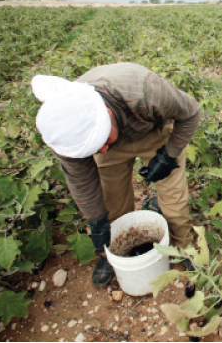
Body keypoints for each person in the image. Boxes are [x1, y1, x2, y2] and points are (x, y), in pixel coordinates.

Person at [31, 62, 201, 286]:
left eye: (101, 141)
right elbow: (81, 181)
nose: (101, 151)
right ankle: (113, 254)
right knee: (111, 200)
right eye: (93, 149)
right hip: (113, 136)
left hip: (152, 130)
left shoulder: (147, 91)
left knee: (173, 196)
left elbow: (191, 113)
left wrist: (169, 155)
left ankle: (183, 246)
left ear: (108, 114)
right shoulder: (67, 135)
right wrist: (97, 220)